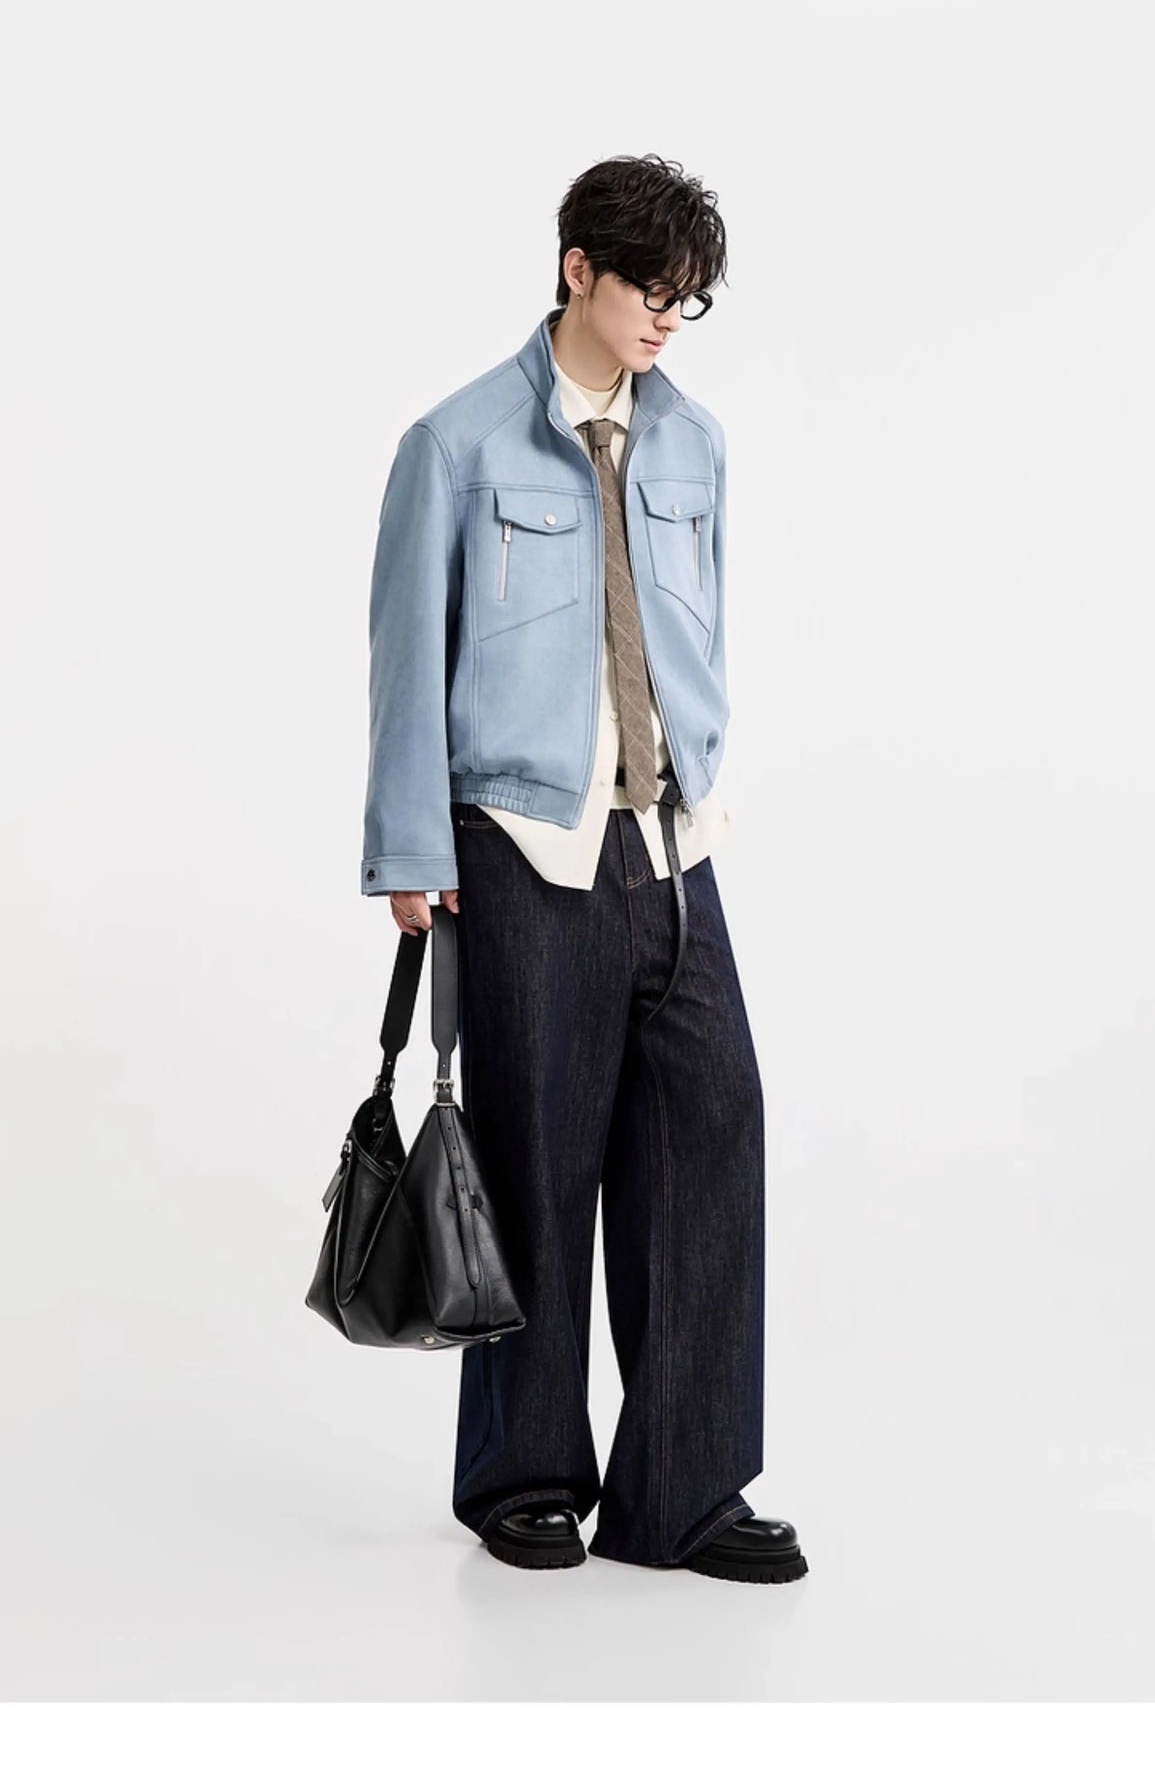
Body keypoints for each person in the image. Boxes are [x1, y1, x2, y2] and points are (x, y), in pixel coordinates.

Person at [360, 153, 807, 1584]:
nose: (669, 317)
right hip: (520, 846)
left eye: (689, 298)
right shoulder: (456, 444)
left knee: (713, 1133)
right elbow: (404, 659)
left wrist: (702, 774)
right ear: (578, 272)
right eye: (650, 289)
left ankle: (683, 1490)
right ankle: (527, 1477)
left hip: (671, 845)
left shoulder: (696, 444)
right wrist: (409, 847)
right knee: (537, 1162)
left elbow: (703, 623)